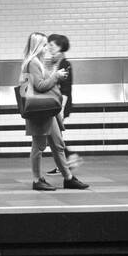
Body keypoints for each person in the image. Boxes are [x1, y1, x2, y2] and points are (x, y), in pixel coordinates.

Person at [18, 33, 89, 192]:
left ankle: (68, 178)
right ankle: (37, 180)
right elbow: (40, 86)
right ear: (37, 47)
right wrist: (56, 77)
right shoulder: (32, 63)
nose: (46, 48)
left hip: (47, 111)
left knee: (58, 145)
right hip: (39, 111)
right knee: (38, 146)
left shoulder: (39, 62)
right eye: (44, 45)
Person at [44, 34, 82, 175]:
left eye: (52, 45)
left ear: (60, 47)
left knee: (54, 136)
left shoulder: (65, 64)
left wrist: (61, 110)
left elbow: (66, 90)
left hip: (60, 105)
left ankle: (70, 157)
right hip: (52, 104)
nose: (49, 48)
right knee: (54, 136)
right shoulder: (52, 63)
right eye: (48, 45)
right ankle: (64, 162)